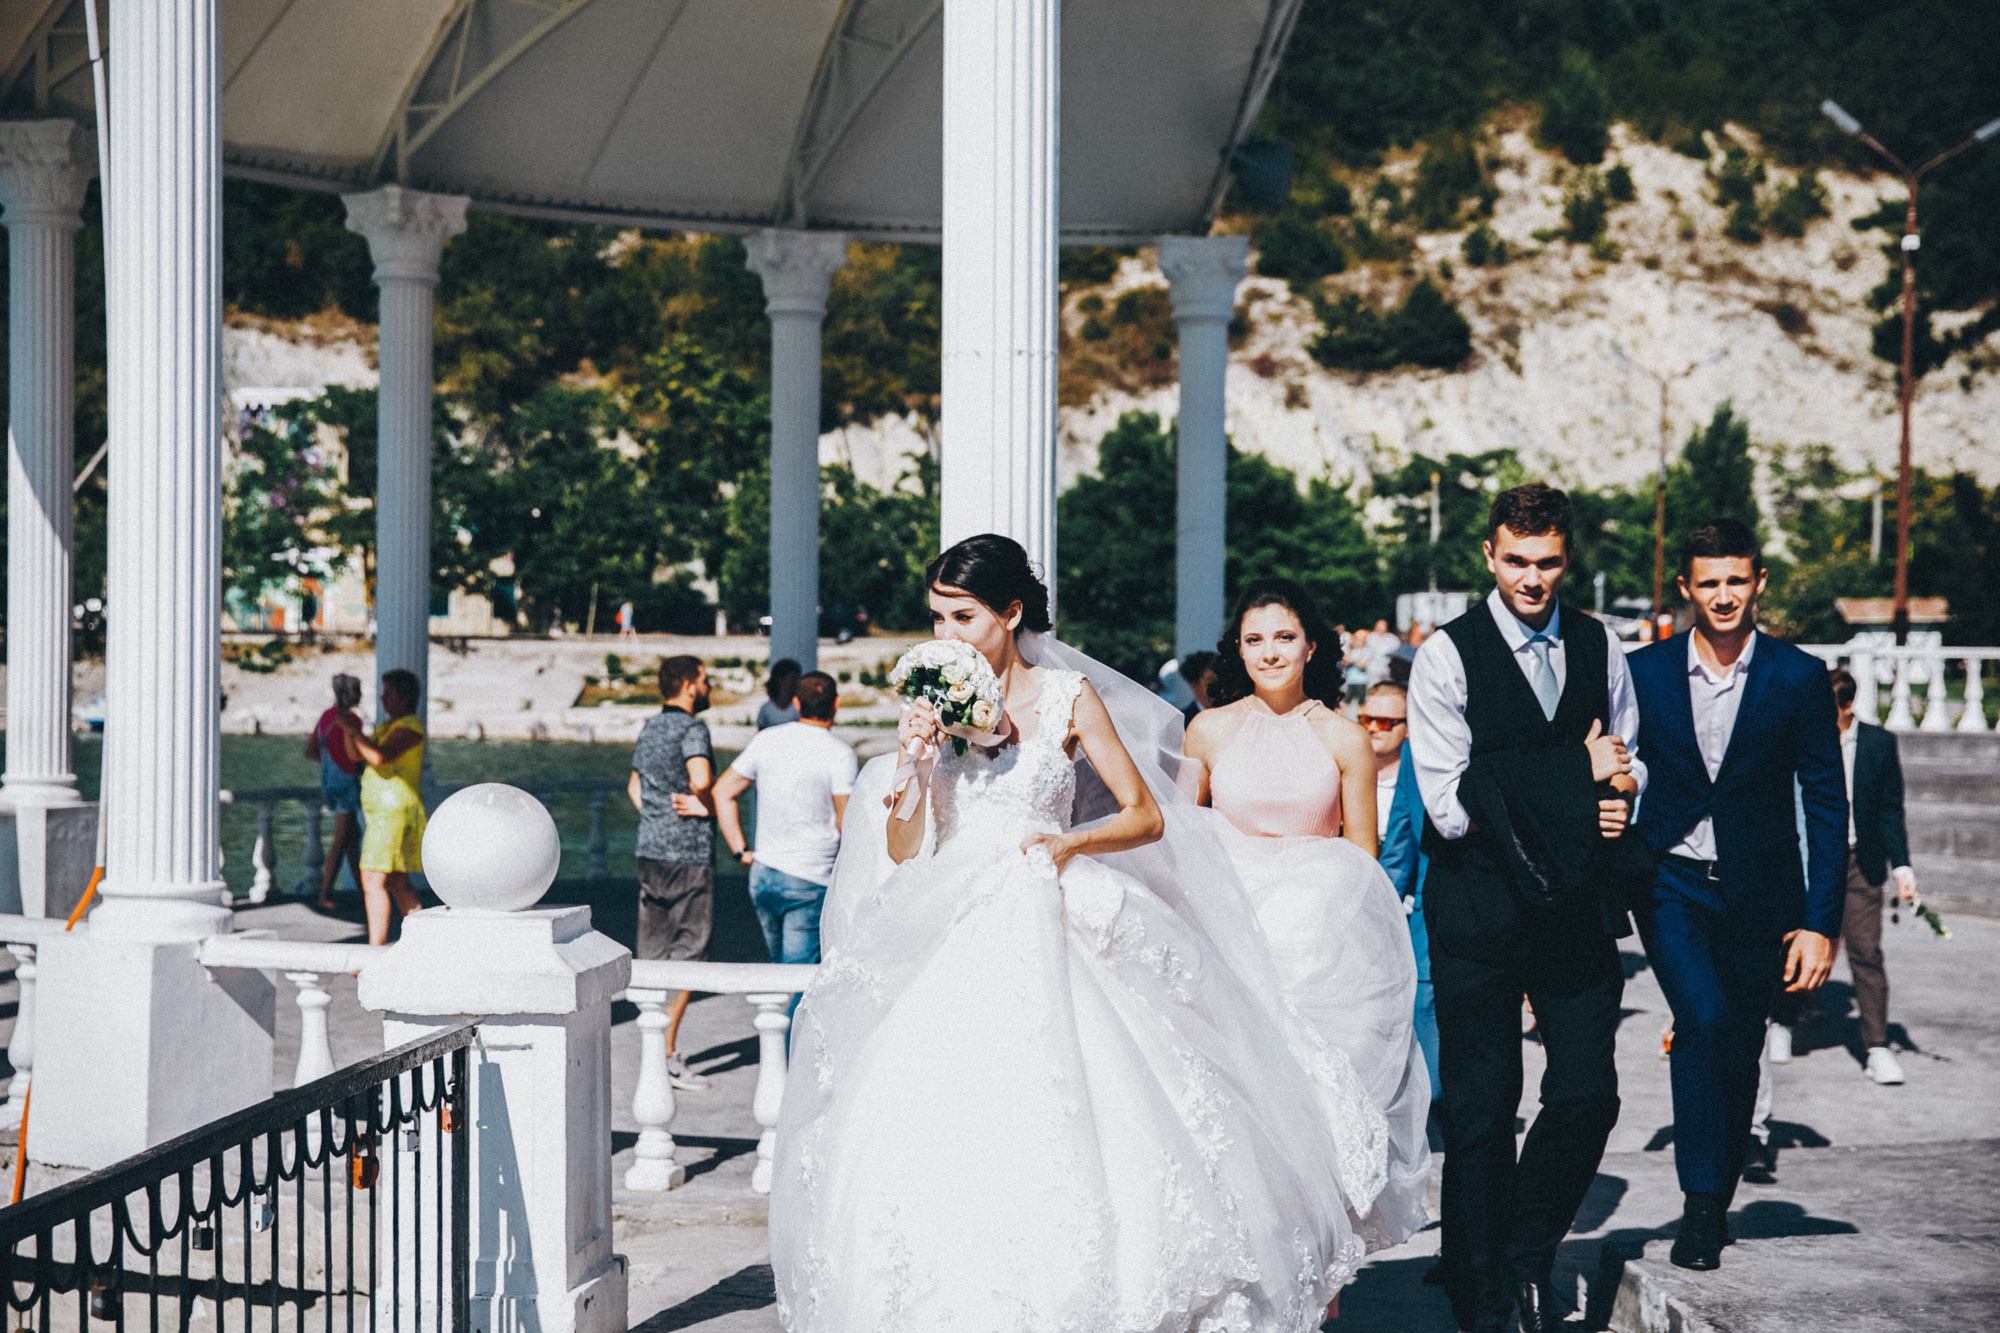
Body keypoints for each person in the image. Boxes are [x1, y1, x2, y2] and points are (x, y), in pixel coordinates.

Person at [772, 535, 1413, 1331]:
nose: (947, 636)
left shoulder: (1069, 696)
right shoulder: (930, 708)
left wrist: (1069, 843)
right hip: (954, 917)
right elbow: (907, 849)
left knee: (1104, 1099)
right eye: (936, 618)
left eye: (962, 617)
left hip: (1053, 901)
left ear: (1010, 613)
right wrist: (912, 764)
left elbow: (1147, 815)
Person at [1406, 483, 1644, 1333]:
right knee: (1481, 1108)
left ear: (1566, 559)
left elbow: (1626, 755)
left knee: (1588, 1090)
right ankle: (1481, 1294)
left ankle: (1525, 1247)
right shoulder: (1445, 655)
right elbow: (1448, 804)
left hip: (1575, 902)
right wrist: (1572, 777)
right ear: (1489, 555)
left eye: (1547, 563)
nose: (1532, 579)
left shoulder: (1598, 643)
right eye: (1516, 561)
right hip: (1475, 904)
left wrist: (1617, 789)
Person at [1626, 519, 1846, 1272]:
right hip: (1671, 882)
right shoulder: (1643, 671)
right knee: (1703, 1019)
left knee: (1742, 1043)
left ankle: (1715, 1200)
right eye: (1708, 582)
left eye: (1736, 580)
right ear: (1685, 587)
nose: (1723, 595)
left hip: (1762, 894)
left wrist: (1821, 923)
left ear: (1758, 583)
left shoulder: (1798, 675)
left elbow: (1825, 802)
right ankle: (1696, 1203)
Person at [1183, 582, 1432, 1245]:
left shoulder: (1344, 737)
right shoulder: (1207, 730)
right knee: (1239, 1113)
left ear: (1312, 645)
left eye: (1284, 636)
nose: (1269, 651)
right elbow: (1180, 841)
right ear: (1238, 648)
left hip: (1317, 955)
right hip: (1232, 941)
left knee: (1315, 1118)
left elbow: (1363, 865)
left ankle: (1321, 1264)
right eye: (1254, 638)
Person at [712, 671, 857, 969]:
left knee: (776, 974)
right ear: (836, 704)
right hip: (810, 876)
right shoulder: (840, 754)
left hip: (763, 875)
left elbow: (722, 791)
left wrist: (741, 851)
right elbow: (847, 823)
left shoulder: (766, 740)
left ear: (795, 702)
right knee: (797, 980)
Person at [628, 655, 719, 1092]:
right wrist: (706, 805)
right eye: (704, 680)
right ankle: (667, 1053)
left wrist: (659, 815)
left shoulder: (649, 727)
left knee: (652, 950)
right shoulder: (691, 729)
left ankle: (652, 1050)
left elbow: (635, 787)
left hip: (649, 850)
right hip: (688, 852)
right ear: (687, 685)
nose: (709, 686)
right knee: (689, 952)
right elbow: (700, 776)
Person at [1369, 681, 1441, 1120]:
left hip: (1492, 923)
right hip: (1423, 932)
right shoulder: (1416, 760)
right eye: (1367, 720)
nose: (1374, 730)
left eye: (1386, 721)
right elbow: (1398, 844)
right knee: (1429, 1086)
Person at [336, 669, 428, 946]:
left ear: (404, 697)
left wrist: (353, 731)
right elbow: (357, 755)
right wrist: (347, 730)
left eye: (388, 693)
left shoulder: (409, 727)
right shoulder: (389, 727)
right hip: (384, 816)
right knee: (397, 882)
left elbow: (378, 756)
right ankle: (424, 943)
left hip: (393, 816)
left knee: (373, 880)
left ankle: (374, 951)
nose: (382, 698)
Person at [304, 673, 365, 909]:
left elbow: (310, 750)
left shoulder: (325, 718)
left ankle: (361, 891)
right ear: (348, 693)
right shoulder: (352, 721)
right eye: (357, 690)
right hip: (347, 782)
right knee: (342, 839)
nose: (360, 695)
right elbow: (354, 755)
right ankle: (324, 893)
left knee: (352, 836)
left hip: (329, 781)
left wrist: (329, 764)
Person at [757, 658, 802, 730]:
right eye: (792, 679)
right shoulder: (766, 709)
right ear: (780, 679)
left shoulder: (800, 708)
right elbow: (761, 734)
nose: (796, 683)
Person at [1177, 647, 1218, 725]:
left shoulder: (1238, 718)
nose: (1220, 688)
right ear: (1194, 685)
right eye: (1212, 681)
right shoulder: (1181, 723)